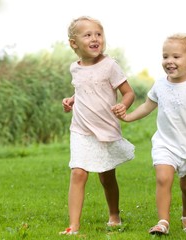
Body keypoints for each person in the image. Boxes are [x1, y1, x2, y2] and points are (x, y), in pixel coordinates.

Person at [116, 33, 186, 235]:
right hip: (165, 144)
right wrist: (128, 117)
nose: (169, 61)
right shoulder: (160, 85)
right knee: (163, 178)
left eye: (175, 56)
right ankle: (163, 221)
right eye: (165, 56)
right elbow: (147, 106)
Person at [59, 16, 135, 235]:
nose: (95, 38)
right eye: (88, 35)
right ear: (74, 43)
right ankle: (73, 226)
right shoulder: (75, 68)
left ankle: (114, 215)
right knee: (78, 173)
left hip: (105, 129)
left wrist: (123, 105)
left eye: (98, 34)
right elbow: (83, 89)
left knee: (106, 176)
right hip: (81, 129)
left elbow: (129, 92)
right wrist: (71, 100)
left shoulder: (110, 65)